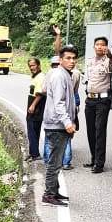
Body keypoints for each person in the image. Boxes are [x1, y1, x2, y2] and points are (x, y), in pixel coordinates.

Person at [42, 45, 78, 206]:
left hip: (59, 124)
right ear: (61, 60)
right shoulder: (59, 76)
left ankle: (54, 192)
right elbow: (59, 103)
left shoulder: (66, 75)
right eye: (68, 58)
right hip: (56, 125)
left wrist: (71, 121)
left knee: (57, 161)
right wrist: (67, 122)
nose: (72, 61)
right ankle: (49, 195)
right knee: (55, 163)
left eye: (73, 58)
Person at [83, 35, 112, 173]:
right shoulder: (90, 62)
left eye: (103, 44)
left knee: (99, 131)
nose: (100, 46)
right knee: (91, 130)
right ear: (94, 46)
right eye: (97, 44)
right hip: (90, 100)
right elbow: (87, 79)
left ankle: (99, 163)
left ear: (106, 47)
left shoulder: (109, 60)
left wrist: (109, 55)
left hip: (102, 101)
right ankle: (93, 158)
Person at [42, 56, 73, 168]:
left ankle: (47, 160)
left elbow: (44, 90)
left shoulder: (51, 73)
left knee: (49, 141)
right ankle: (66, 162)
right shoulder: (68, 74)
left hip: (54, 116)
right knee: (67, 140)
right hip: (65, 114)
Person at [25, 57, 46, 160]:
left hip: (36, 104)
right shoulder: (35, 76)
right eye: (30, 66)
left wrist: (33, 105)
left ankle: (34, 154)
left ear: (39, 65)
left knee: (32, 129)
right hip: (33, 102)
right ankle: (33, 152)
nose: (31, 67)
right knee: (34, 129)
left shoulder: (41, 77)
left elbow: (40, 93)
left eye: (33, 65)